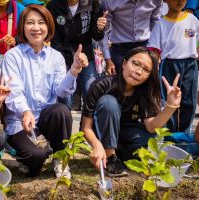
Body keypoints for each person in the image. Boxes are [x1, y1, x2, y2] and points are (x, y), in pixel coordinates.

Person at [1, 4, 88, 178]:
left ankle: (60, 158)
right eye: (30, 22)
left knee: (61, 110)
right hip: (20, 122)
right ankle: (30, 157)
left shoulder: (55, 56)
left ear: (48, 27)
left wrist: (74, 70)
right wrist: (25, 111)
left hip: (45, 118)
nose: (36, 28)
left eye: (41, 23)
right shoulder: (13, 56)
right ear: (22, 27)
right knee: (35, 160)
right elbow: (14, 90)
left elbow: (61, 91)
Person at [81, 47, 181, 177]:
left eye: (145, 70)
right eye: (136, 64)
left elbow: (151, 127)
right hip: (100, 132)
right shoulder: (101, 85)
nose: (139, 71)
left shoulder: (145, 92)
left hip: (125, 134)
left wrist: (170, 106)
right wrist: (96, 144)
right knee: (108, 102)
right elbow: (85, 127)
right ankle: (110, 157)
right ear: (124, 63)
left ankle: (120, 155)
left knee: (151, 138)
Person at [148, 0, 199, 133]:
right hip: (169, 65)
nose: (180, 1)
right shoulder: (160, 24)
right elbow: (153, 50)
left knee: (189, 101)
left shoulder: (193, 20)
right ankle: (170, 134)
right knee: (168, 101)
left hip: (190, 65)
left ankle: (184, 133)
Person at [46, 0, 106, 109]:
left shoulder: (92, 4)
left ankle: (87, 124)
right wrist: (61, 60)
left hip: (86, 55)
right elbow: (54, 38)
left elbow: (97, 36)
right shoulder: (53, 6)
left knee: (91, 90)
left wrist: (99, 29)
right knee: (65, 98)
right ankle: (65, 123)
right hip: (62, 56)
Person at [101, 0, 163, 74]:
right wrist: (107, 58)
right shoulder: (110, 1)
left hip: (145, 47)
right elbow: (103, 29)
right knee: (120, 83)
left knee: (145, 83)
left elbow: (155, 21)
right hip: (120, 50)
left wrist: (155, 49)